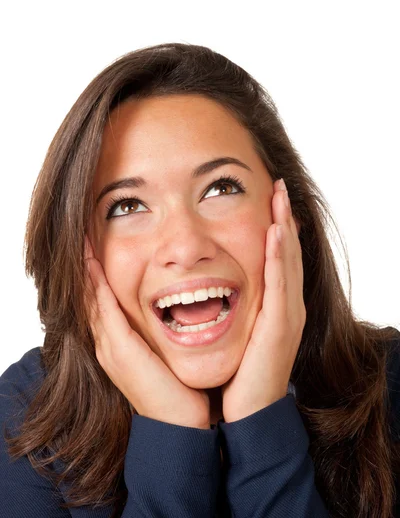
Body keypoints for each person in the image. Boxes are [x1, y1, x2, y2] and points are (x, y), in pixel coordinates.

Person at [0, 43, 399, 518]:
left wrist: (261, 423)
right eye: (126, 206)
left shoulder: (391, 386)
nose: (186, 247)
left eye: (220, 188)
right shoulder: (26, 420)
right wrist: (172, 436)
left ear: (290, 216)